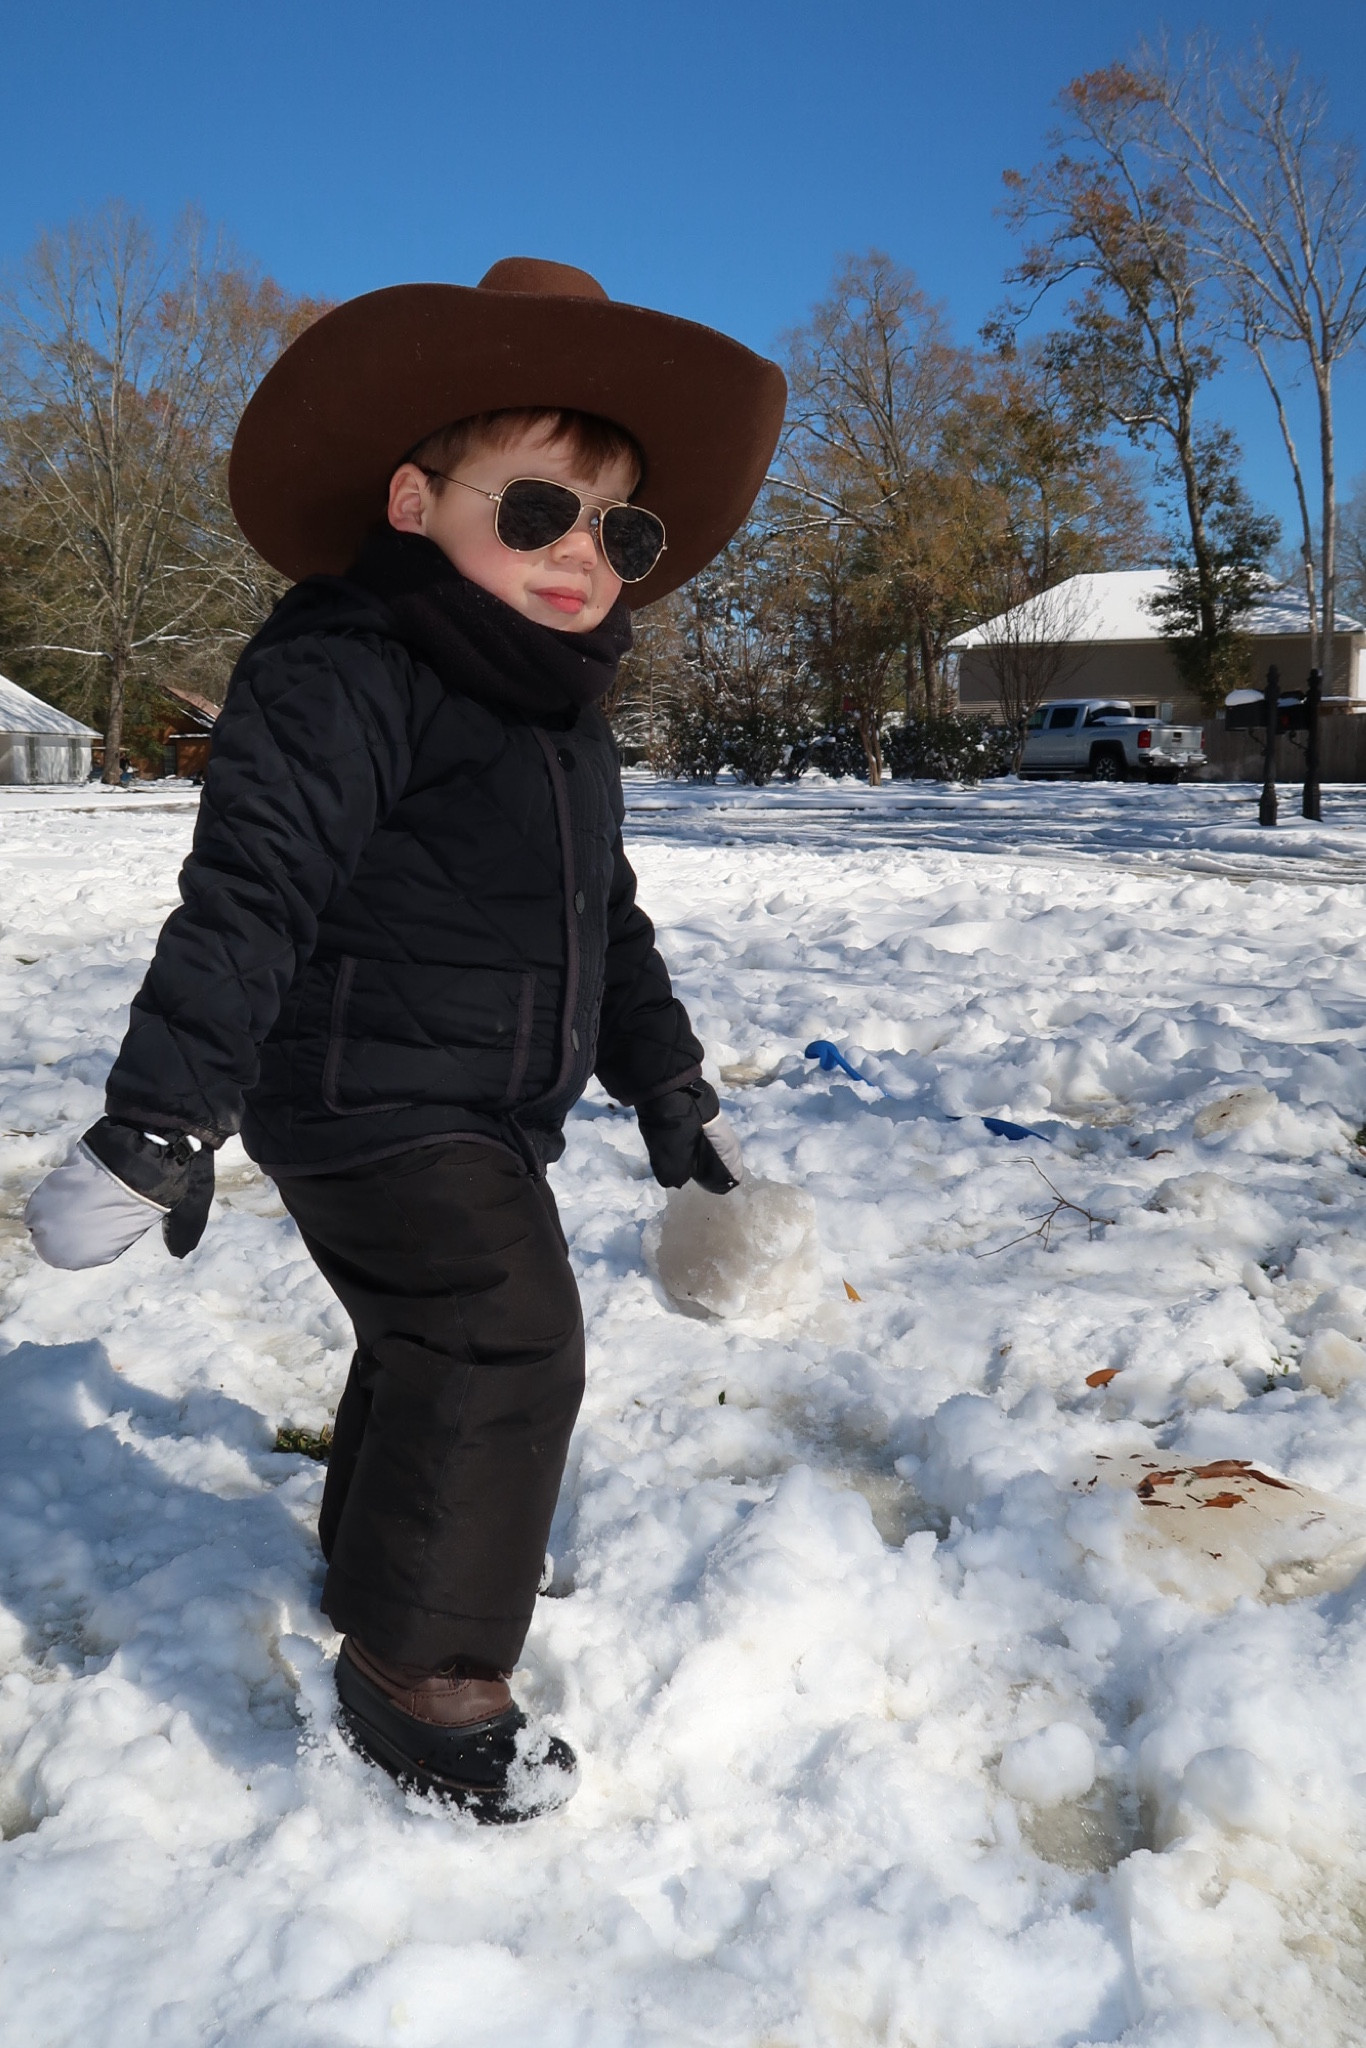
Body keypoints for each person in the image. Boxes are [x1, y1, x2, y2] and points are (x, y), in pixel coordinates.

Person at [24, 258, 786, 1824]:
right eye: (534, 511)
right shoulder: (347, 665)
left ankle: (382, 1558)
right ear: (411, 501)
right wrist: (160, 1116)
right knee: (504, 1334)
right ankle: (419, 1674)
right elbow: (252, 891)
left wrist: (669, 1088)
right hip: (355, 1089)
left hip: (482, 1102)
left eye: (614, 528)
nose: (580, 554)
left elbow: (607, 924)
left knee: (429, 1334)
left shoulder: (551, 710)